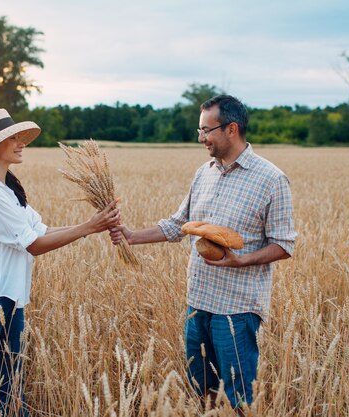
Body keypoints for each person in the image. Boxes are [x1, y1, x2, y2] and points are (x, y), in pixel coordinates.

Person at [109, 95, 296, 410]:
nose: (200, 138)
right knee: (201, 394)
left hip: (236, 309)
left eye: (206, 130)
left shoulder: (271, 180)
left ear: (231, 129)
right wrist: (132, 236)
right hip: (197, 304)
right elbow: (179, 225)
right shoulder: (203, 173)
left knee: (239, 400)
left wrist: (241, 260)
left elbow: (284, 245)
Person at [0, 108, 120, 416]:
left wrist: (91, 225)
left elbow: (39, 231)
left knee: (12, 388)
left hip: (10, 297)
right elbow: (34, 245)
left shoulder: (7, 190)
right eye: (12, 138)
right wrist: (89, 227)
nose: (20, 143)